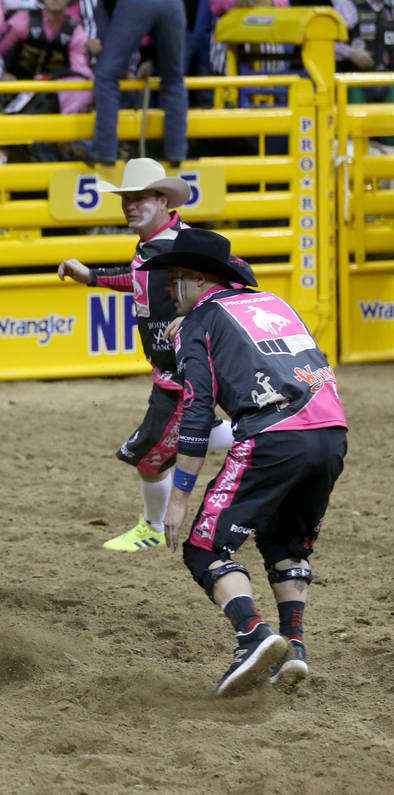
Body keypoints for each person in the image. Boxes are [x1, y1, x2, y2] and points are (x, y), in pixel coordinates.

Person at [139, 227, 348, 696]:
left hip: (274, 437)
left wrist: (178, 500)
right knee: (286, 542)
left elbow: (196, 413)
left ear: (197, 278)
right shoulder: (275, 302)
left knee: (203, 548)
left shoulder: (198, 323)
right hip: (331, 431)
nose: (169, 292)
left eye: (174, 280)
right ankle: (293, 647)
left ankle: (252, 634)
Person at [57, 158, 235, 551]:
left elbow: (235, 278)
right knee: (171, 444)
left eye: (139, 199)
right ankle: (260, 432)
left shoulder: (186, 245)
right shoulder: (153, 245)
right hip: (172, 372)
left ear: (163, 200)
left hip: (183, 374)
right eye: (126, 200)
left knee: (148, 459)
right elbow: (139, 278)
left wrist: (195, 316)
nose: (130, 207)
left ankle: (153, 527)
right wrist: (91, 276)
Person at [80, 0, 187, 165]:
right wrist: (154, 58)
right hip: (174, 4)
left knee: (107, 76)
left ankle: (104, 151)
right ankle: (177, 152)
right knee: (174, 80)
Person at [332, 0, 394, 104]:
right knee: (356, 119)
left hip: (389, 80)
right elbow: (326, 42)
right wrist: (350, 53)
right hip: (354, 81)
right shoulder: (348, 5)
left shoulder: (390, 6)